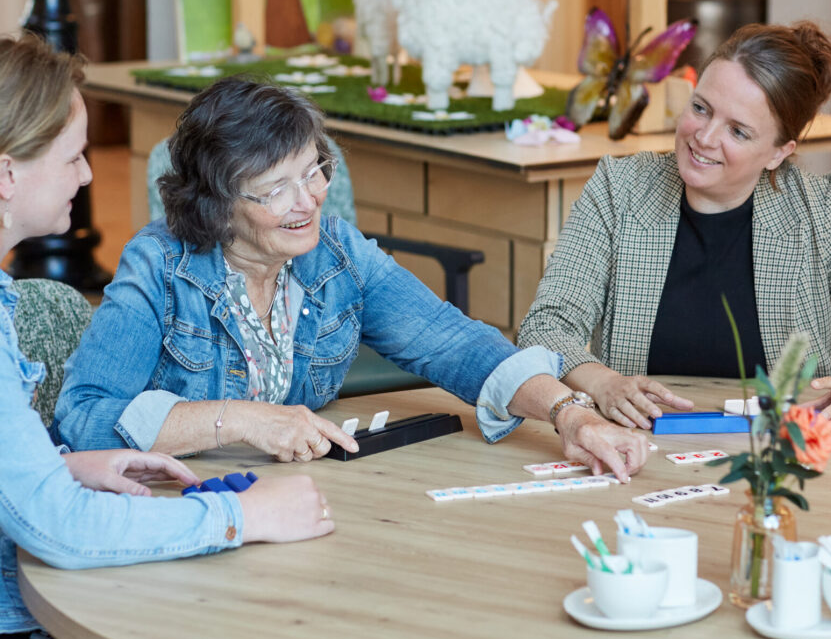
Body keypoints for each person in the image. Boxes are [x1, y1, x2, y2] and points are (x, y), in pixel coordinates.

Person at [0, 35, 333, 639]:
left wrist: (65, 465)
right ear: (6, 175)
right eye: (74, 158)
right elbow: (58, 531)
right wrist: (243, 516)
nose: (90, 176)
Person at [53, 77, 647, 479]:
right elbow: (84, 418)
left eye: (314, 171)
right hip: (178, 503)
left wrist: (572, 413)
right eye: (275, 187)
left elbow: (455, 343)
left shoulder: (334, 251)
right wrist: (240, 418)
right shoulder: (159, 265)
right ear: (216, 201)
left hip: (294, 500)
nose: (308, 200)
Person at [517, 22, 831, 433]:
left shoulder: (818, 211)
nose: (704, 138)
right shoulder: (620, 190)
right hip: (637, 447)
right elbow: (545, 327)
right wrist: (601, 382)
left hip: (780, 461)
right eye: (700, 108)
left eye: (738, 131)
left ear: (778, 153)